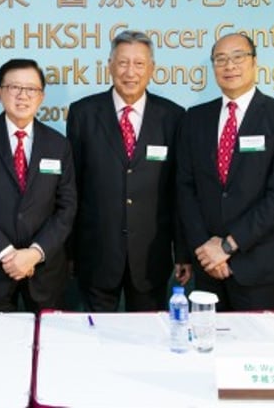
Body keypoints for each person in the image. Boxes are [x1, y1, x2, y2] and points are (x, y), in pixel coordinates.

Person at [176, 33, 274, 311]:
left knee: (258, 351)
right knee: (206, 348)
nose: (229, 66)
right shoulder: (195, 118)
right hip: (208, 267)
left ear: (254, 62)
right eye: (220, 59)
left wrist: (227, 247)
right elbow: (185, 189)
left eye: (238, 57)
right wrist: (205, 250)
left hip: (259, 267)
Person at [67, 30, 191, 312]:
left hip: (151, 256)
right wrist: (69, 252)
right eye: (122, 63)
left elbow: (178, 190)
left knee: (147, 341)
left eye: (138, 63)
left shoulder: (173, 116)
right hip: (96, 253)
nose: (130, 72)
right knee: (94, 338)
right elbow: (72, 187)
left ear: (152, 69)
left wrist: (182, 252)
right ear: (109, 65)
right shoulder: (83, 113)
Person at [0, 58, 77, 312]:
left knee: (48, 347)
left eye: (31, 89)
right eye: (14, 88)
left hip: (44, 273)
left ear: (41, 96)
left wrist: (34, 253)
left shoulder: (58, 144)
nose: (23, 96)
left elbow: (67, 207)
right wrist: (7, 254)